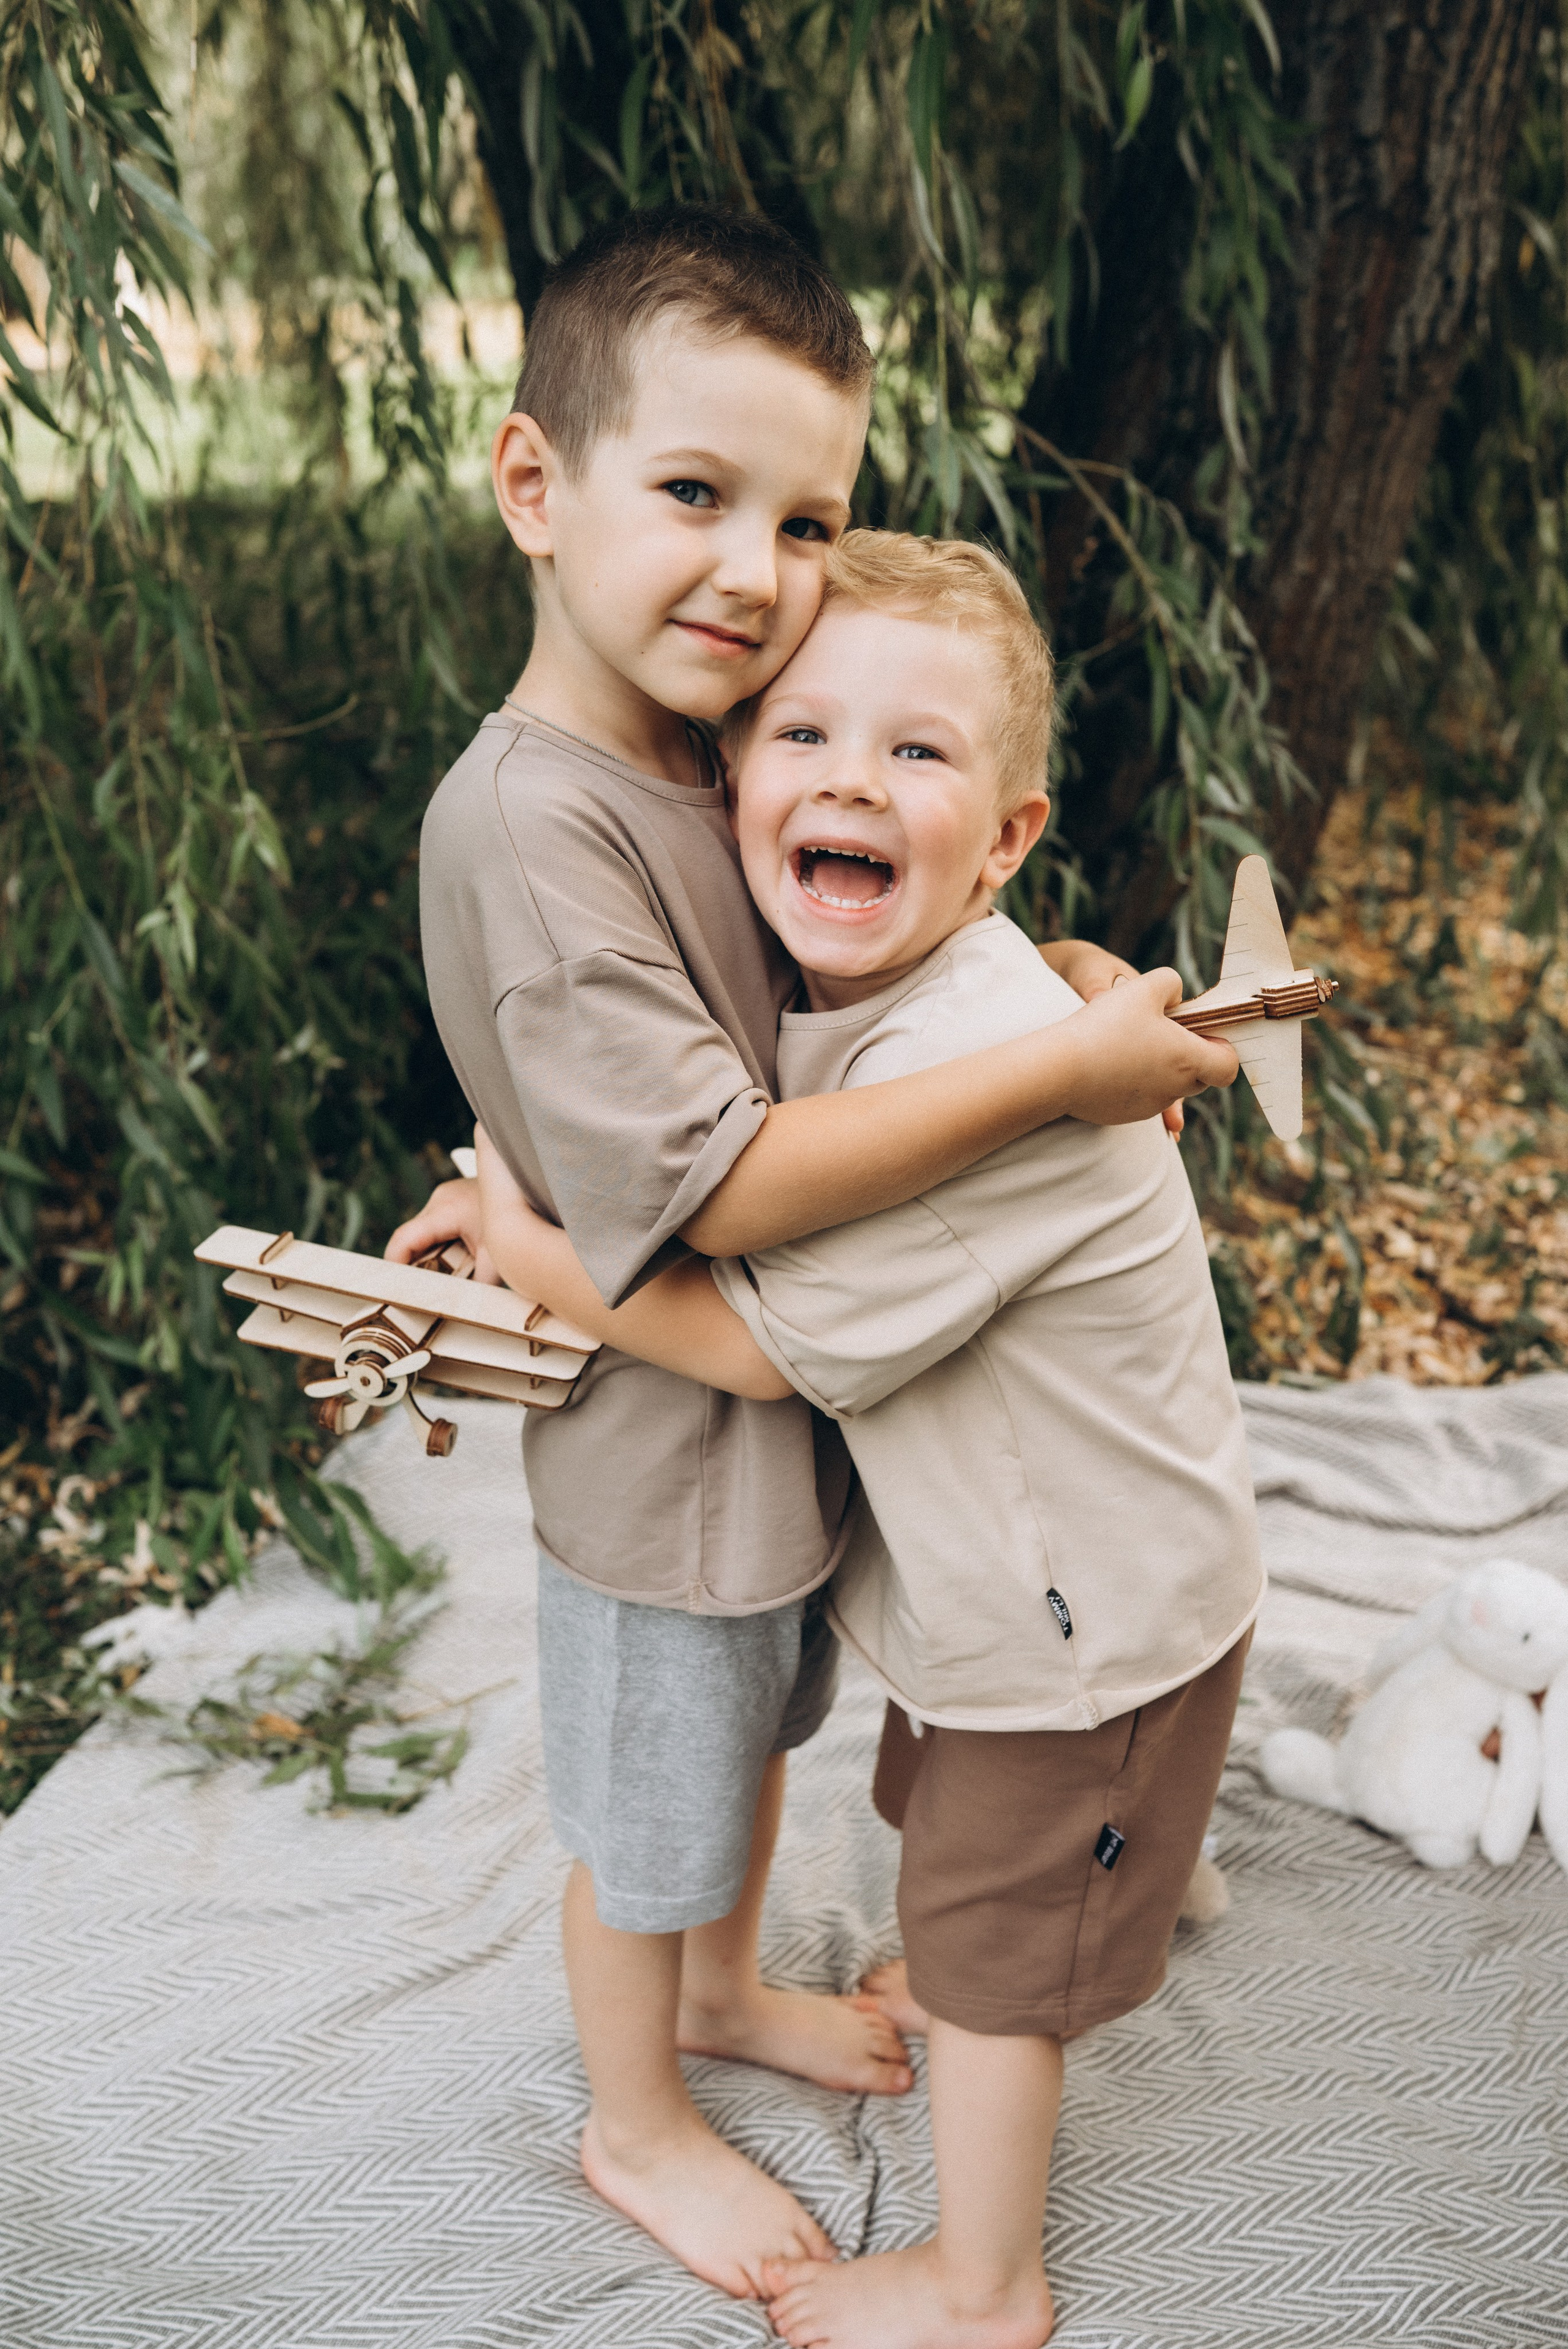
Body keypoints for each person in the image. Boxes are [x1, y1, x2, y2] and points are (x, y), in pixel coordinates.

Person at [391, 208, 1239, 2306]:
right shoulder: (534, 822)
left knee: (749, 1753)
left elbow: (861, 973)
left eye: (807, 515)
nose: (757, 572)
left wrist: (1037, 975)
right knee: (650, 1810)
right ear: (535, 487)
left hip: (771, 1465)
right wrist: (509, 1224)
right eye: (695, 494)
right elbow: (742, 1174)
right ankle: (638, 2114)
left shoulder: (702, 748)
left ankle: (720, 1997)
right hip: (660, 1455)